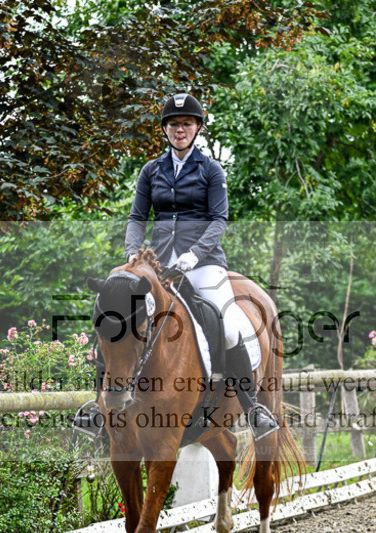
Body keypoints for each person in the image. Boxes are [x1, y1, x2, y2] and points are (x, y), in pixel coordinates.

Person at [75, 92, 278, 441]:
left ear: (197, 127)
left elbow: (219, 220)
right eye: (172, 124)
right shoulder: (151, 170)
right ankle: (98, 406)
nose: (179, 129)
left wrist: (195, 254)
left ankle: (252, 407)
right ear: (165, 130)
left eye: (185, 123)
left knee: (228, 323)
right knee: (116, 316)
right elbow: (137, 217)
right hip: (159, 266)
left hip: (203, 264)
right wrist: (131, 253)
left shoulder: (211, 170)